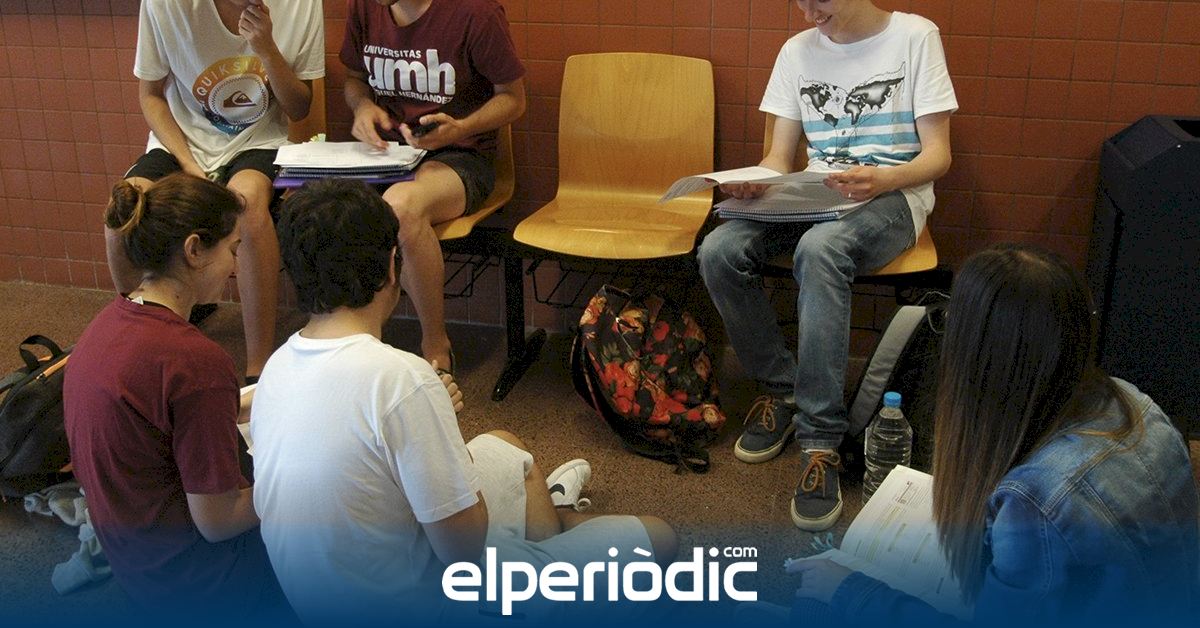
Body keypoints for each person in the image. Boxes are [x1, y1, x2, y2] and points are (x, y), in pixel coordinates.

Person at [250, 179, 676, 623]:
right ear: (393, 267)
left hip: (323, 605)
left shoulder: (275, 368)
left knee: (505, 446)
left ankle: (548, 533)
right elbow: (463, 551)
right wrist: (440, 425)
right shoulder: (403, 379)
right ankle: (553, 544)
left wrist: (430, 421)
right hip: (431, 604)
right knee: (660, 538)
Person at [785, 244, 1200, 624]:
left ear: (976, 355)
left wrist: (852, 590)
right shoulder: (1137, 404)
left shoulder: (1034, 499)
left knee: (818, 607)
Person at [696, 0, 957, 531]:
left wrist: (883, 178)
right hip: (816, 193)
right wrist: (757, 183)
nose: (808, 12)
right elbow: (778, 159)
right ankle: (783, 388)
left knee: (820, 250)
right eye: (800, 0)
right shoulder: (796, 51)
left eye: (819, 0)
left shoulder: (915, 37)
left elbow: (938, 156)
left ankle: (820, 439)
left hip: (894, 197)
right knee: (718, 251)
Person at [64, 173, 285, 615]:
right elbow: (219, 522)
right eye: (233, 250)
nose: (235, 269)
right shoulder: (194, 361)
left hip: (139, 568)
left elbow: (170, 418)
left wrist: (271, 399)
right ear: (194, 249)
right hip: (204, 583)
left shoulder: (107, 324)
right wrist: (301, 487)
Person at [106, 0, 326, 383]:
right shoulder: (164, 5)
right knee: (123, 212)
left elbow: (298, 108)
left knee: (247, 204)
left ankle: (258, 369)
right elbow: (151, 95)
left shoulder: (299, 4)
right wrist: (189, 165)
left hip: (258, 140)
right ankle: (136, 342)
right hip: (181, 143)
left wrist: (267, 49)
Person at [339, 0, 526, 377]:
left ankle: (435, 346)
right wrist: (362, 107)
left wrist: (461, 128)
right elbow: (354, 79)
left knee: (400, 206)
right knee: (323, 206)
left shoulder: (476, 13)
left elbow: (513, 99)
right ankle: (351, 343)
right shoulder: (366, 6)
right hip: (387, 154)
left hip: (461, 155)